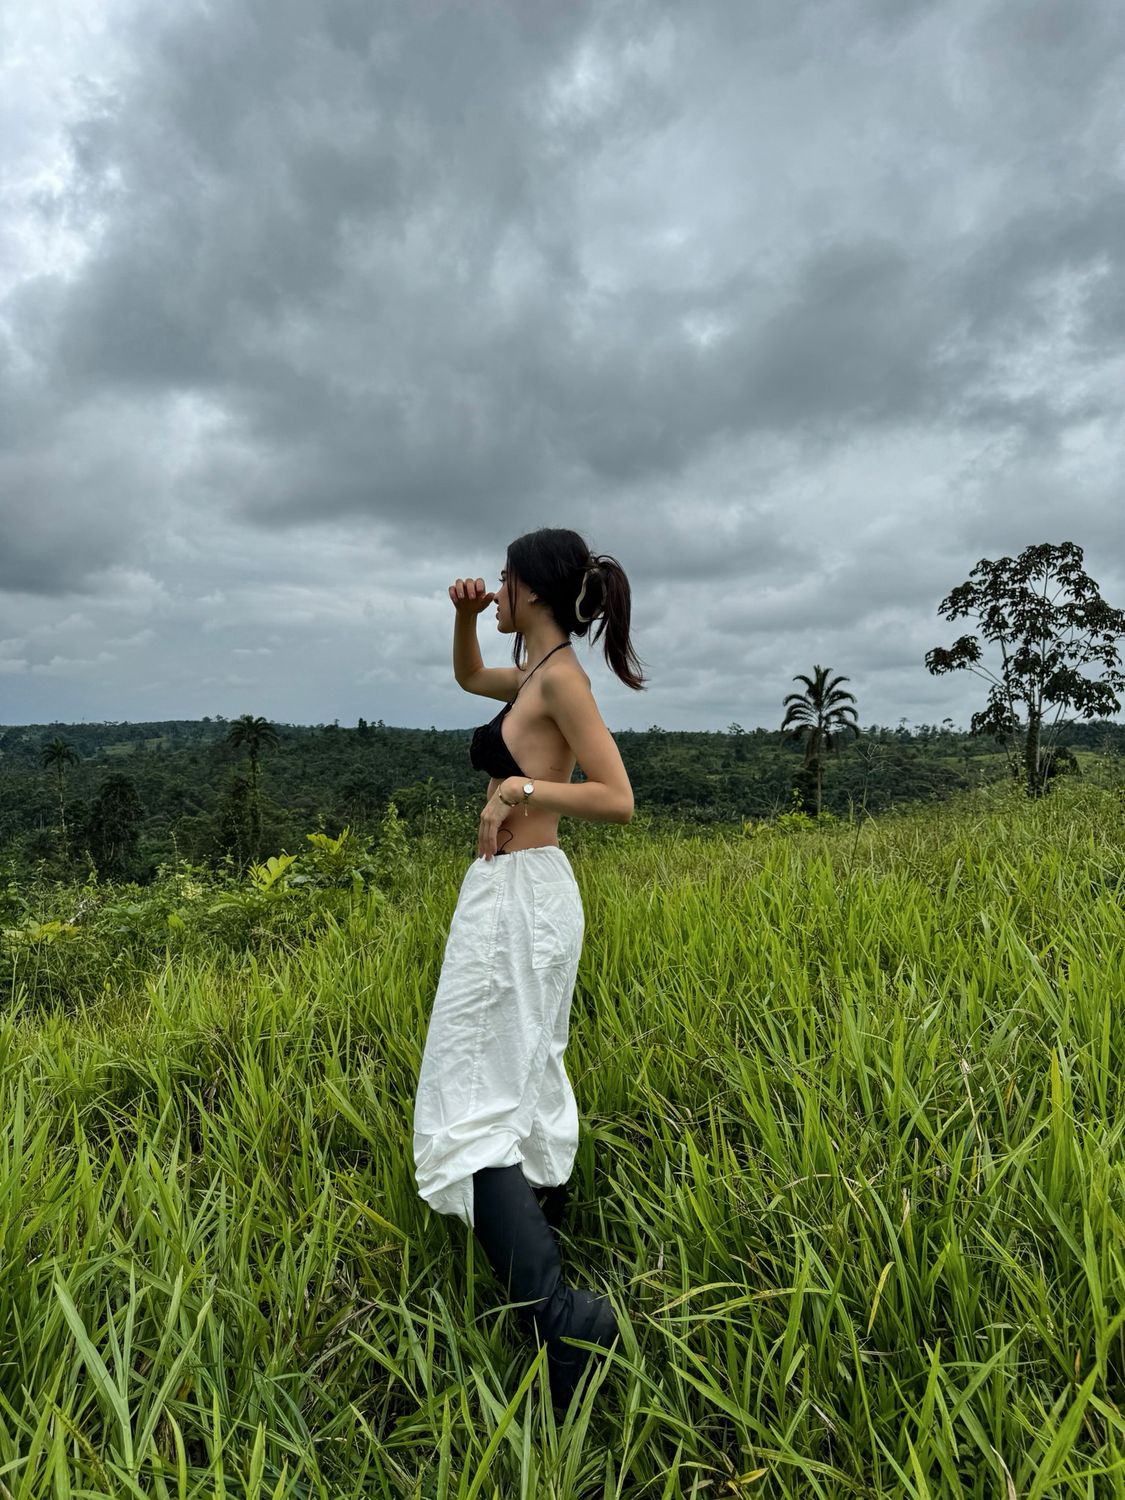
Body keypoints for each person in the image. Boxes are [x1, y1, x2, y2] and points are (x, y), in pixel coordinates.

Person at [412, 526, 645, 1411]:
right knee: (512, 1076)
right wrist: (466, 621)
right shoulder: (532, 673)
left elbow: (615, 798)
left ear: (535, 591)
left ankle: (563, 1317)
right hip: (508, 898)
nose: (495, 588)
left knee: (474, 1090)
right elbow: (472, 679)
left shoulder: (563, 681)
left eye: (502, 582)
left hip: (526, 902)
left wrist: (520, 790)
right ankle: (547, 1270)